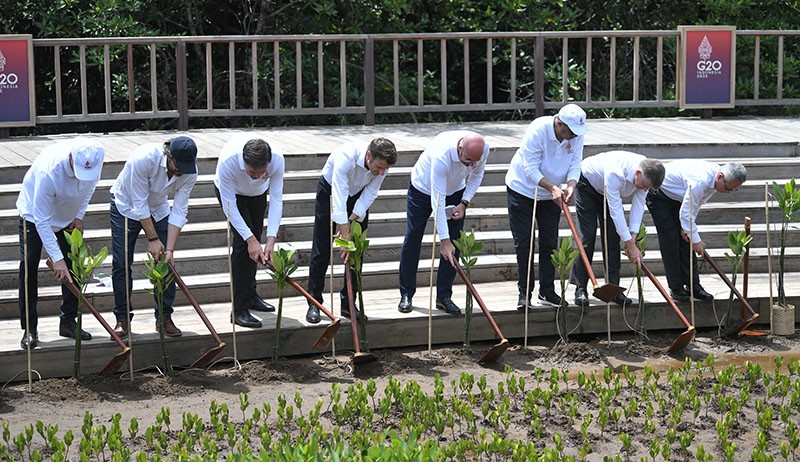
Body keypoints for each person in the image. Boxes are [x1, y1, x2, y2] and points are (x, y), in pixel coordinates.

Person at [17, 138, 105, 349]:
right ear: (72, 158)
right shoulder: (49, 171)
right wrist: (56, 259)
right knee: (29, 267)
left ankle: (67, 322)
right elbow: (41, 220)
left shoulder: (96, 158)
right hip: (34, 216)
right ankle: (29, 328)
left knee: (73, 264)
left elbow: (88, 190)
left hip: (68, 217)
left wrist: (79, 216)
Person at [109, 136, 199, 338]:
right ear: (169, 154)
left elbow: (179, 210)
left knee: (166, 263)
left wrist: (169, 249)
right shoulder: (144, 158)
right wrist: (152, 239)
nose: (181, 171)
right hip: (125, 206)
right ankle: (122, 318)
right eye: (178, 165)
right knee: (121, 263)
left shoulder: (189, 171)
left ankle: (164, 317)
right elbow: (139, 203)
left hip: (158, 209)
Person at [305, 138, 398, 323]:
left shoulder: (382, 167)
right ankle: (314, 302)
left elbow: (371, 193)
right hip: (330, 192)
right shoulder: (346, 156)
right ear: (369, 155)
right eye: (379, 167)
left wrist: (349, 222)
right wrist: (343, 231)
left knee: (356, 252)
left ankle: (348, 303)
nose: (381, 172)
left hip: (358, 196)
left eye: (384, 169)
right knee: (322, 250)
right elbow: (338, 194)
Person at [505, 103, 588, 310]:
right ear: (559, 124)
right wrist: (552, 187)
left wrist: (570, 185)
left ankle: (547, 290)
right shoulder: (539, 129)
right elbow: (529, 167)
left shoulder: (576, 135)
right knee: (525, 243)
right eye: (569, 132)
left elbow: (575, 163)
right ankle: (524, 292)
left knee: (550, 242)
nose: (572, 137)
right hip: (522, 189)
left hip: (553, 194)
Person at [397, 131, 490, 315]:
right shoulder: (442, 154)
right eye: (468, 160)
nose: (472, 164)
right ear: (459, 148)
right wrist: (443, 240)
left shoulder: (482, 150)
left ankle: (444, 296)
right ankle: (406, 293)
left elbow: (477, 176)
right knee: (413, 238)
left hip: (456, 191)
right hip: (423, 190)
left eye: (474, 161)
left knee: (455, 242)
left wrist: (464, 202)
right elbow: (437, 200)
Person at [571, 151, 665, 308]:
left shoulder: (646, 175)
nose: (644, 189)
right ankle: (580, 288)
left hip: (609, 192)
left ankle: (613, 289)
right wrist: (629, 242)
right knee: (586, 237)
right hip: (587, 185)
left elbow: (638, 206)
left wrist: (633, 236)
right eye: (644, 185)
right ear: (637, 173)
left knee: (612, 238)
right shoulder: (616, 171)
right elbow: (615, 209)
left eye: (647, 187)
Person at [646, 161, 747, 302]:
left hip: (679, 198)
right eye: (728, 188)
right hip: (659, 195)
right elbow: (687, 212)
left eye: (732, 190)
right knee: (670, 238)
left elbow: (696, 204)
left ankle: (693, 285)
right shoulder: (701, 180)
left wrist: (689, 232)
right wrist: (697, 241)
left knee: (686, 239)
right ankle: (676, 287)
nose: (728, 192)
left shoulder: (715, 182)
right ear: (720, 177)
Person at [214, 134, 284, 328]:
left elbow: (276, 199)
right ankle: (238, 309)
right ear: (244, 162)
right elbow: (230, 207)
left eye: (261, 172)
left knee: (257, 244)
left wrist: (271, 239)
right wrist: (250, 240)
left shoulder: (277, 161)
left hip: (258, 195)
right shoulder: (228, 162)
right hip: (232, 195)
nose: (256, 176)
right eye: (252, 171)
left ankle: (251, 295)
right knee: (243, 245)